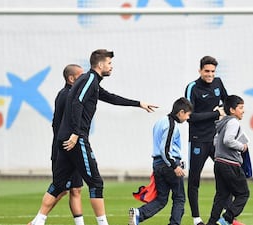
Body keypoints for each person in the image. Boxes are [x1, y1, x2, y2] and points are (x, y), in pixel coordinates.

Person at [28, 49, 158, 225]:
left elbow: (111, 98)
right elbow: (77, 103)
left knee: (59, 185)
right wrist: (75, 133)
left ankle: (38, 220)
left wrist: (139, 104)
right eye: (109, 63)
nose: (111, 66)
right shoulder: (89, 79)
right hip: (76, 139)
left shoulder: (91, 81)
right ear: (100, 64)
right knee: (96, 183)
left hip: (65, 138)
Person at [29, 64, 85, 225]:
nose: (84, 79)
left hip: (74, 148)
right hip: (65, 150)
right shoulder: (66, 96)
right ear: (71, 78)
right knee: (60, 188)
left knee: (76, 189)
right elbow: (59, 124)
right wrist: (64, 143)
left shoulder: (72, 95)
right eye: (80, 76)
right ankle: (38, 220)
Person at [128, 97, 193, 225]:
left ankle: (139, 214)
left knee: (161, 199)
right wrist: (174, 165)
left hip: (157, 164)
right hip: (168, 165)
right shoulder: (171, 125)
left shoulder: (160, 122)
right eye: (187, 115)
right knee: (179, 198)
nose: (187, 118)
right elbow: (165, 149)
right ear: (180, 112)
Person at [184, 56, 228, 225]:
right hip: (198, 140)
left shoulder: (218, 83)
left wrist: (226, 109)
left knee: (226, 174)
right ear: (200, 70)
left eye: (212, 71)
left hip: (216, 139)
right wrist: (216, 113)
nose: (210, 75)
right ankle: (196, 218)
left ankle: (227, 214)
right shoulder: (192, 88)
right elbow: (190, 116)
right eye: (207, 71)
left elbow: (228, 101)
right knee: (194, 179)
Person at [207, 95, 250, 225]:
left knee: (221, 196)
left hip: (219, 162)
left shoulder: (223, 122)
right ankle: (226, 219)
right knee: (243, 194)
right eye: (241, 108)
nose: (243, 111)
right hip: (230, 164)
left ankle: (212, 223)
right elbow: (228, 140)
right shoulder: (233, 122)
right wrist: (242, 146)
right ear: (232, 110)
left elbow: (215, 141)